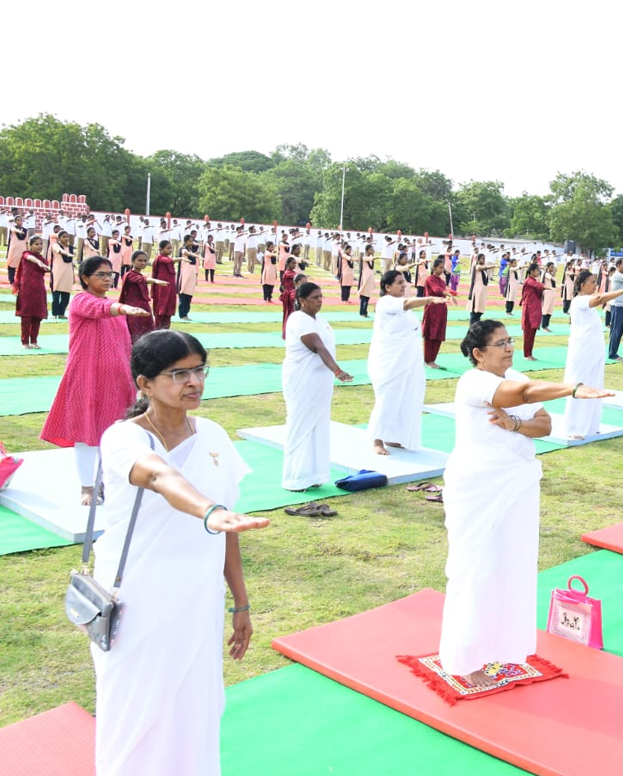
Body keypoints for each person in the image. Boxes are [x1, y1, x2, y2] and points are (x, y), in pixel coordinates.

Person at [92, 330, 268, 776]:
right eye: (178, 374)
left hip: (197, 597)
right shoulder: (122, 438)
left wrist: (241, 603)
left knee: (193, 704)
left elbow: (228, 526)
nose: (194, 382)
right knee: (134, 704)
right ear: (144, 384)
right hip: (140, 598)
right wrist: (207, 511)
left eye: (199, 370)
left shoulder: (212, 434)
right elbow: (158, 478)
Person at [438, 320, 612, 685]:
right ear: (478, 353)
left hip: (515, 481)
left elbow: (545, 425)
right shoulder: (475, 382)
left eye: (510, 341)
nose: (508, 347)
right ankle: (465, 659)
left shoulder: (511, 376)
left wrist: (514, 426)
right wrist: (574, 389)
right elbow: (528, 394)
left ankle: (498, 650)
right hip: (478, 485)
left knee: (510, 566)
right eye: (500, 343)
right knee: (476, 569)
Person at [40, 256, 152, 504]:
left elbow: (124, 346)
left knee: (111, 434)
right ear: (85, 278)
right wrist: (123, 308)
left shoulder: (115, 309)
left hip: (116, 380)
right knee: (85, 433)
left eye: (109, 274)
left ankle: (105, 483)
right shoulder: (81, 301)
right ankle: (87, 487)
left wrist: (133, 377)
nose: (107, 278)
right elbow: (98, 309)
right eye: (101, 274)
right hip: (86, 378)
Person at [281, 282, 354, 491]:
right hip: (302, 380)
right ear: (302, 301)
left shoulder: (320, 320)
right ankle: (294, 479)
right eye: (315, 297)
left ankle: (315, 475)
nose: (320, 301)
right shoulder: (297, 318)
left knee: (319, 424)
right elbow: (317, 346)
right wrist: (337, 370)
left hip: (320, 382)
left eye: (321, 296)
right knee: (300, 424)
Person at [367, 270, 446, 455]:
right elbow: (407, 303)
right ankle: (377, 440)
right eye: (399, 282)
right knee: (388, 398)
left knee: (406, 397)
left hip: (408, 360)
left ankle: (393, 436)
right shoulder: (386, 301)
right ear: (387, 287)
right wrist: (429, 299)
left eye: (405, 282)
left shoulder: (403, 307)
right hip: (389, 362)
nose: (404, 285)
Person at [562, 271, 623, 439]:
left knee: (595, 385)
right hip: (582, 351)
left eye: (595, 282)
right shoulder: (580, 300)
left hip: (594, 351)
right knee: (579, 386)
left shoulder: (584, 303)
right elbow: (599, 299)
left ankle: (590, 426)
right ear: (582, 285)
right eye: (591, 282)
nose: (595, 285)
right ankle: (574, 428)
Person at [118, 250, 167, 345]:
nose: (143, 263)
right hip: (132, 306)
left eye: (145, 261)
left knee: (148, 329)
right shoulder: (130, 275)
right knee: (134, 331)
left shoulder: (138, 274)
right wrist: (156, 281)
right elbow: (142, 280)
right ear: (132, 261)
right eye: (140, 260)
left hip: (144, 305)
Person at [14, 234, 51, 348]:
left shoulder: (43, 259)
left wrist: (42, 263)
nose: (39, 246)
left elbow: (46, 267)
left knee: (37, 316)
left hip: (39, 290)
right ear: (30, 246)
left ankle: (34, 341)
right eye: (36, 244)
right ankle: (25, 342)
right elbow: (31, 258)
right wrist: (38, 262)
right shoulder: (26, 254)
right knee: (26, 316)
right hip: (27, 290)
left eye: (41, 244)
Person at [421, 255, 456, 368]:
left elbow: (443, 289)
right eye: (440, 268)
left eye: (442, 268)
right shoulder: (429, 279)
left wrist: (451, 293)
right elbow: (437, 290)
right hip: (432, 309)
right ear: (434, 267)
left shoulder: (441, 280)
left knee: (438, 335)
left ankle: (433, 359)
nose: (442, 270)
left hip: (441, 309)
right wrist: (449, 294)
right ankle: (427, 360)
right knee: (430, 335)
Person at [519, 264, 547, 360]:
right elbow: (537, 285)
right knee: (528, 332)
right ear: (531, 271)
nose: (538, 272)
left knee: (532, 331)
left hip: (534, 309)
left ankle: (529, 353)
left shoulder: (534, 280)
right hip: (528, 310)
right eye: (537, 270)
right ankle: (527, 354)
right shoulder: (528, 281)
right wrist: (547, 287)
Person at [151, 241, 179, 330]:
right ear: (161, 249)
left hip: (170, 291)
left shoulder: (168, 260)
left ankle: (166, 331)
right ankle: (157, 332)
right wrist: (181, 258)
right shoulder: (159, 259)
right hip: (161, 290)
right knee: (160, 311)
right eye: (168, 248)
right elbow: (168, 260)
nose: (170, 250)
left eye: (171, 248)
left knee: (168, 312)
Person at [49, 230, 76, 319]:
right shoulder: (55, 245)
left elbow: (72, 263)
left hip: (68, 273)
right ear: (59, 238)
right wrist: (67, 253)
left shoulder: (71, 247)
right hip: (58, 272)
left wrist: (73, 277)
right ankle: (54, 313)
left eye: (67, 236)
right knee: (56, 295)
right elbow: (60, 251)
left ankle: (61, 313)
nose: (66, 238)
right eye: (63, 237)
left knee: (66, 295)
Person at [177, 239, 200, 322]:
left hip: (192, 273)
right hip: (185, 274)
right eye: (189, 241)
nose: (191, 243)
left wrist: (195, 254)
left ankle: (186, 313)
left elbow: (196, 247)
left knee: (189, 294)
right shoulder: (183, 249)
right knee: (183, 294)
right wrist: (194, 255)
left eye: (192, 241)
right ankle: (182, 314)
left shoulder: (192, 249)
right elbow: (186, 253)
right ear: (186, 242)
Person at [467, 254, 493, 325]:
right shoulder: (476, 266)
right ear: (478, 260)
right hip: (477, 291)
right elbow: (480, 268)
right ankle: (472, 327)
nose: (483, 260)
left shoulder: (484, 269)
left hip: (482, 291)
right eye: (482, 259)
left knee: (479, 311)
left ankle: (476, 326)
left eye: (484, 259)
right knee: (475, 310)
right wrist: (493, 266)